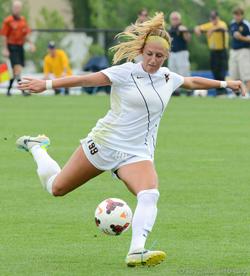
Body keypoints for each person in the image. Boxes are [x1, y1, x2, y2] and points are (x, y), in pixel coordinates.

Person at [16, 13, 245, 267]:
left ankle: (137, 250)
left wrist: (226, 83)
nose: (153, 60)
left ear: (165, 57)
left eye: (159, 56)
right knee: (56, 188)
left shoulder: (168, 77)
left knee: (149, 194)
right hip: (103, 144)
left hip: (136, 153)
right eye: (149, 54)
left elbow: (191, 81)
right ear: (142, 51)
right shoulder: (125, 72)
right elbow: (84, 79)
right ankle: (37, 147)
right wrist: (45, 84)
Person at [0, 0, 35, 96]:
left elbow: (26, 34)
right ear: (12, 8)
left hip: (20, 47)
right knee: (17, 68)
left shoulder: (23, 20)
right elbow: (4, 36)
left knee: (16, 70)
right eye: (15, 7)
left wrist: (31, 44)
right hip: (12, 47)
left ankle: (8, 91)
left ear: (21, 9)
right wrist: (5, 48)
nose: (17, 9)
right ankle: (23, 91)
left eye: (18, 7)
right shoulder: (8, 21)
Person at [194, 11, 228, 96]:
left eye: (215, 18)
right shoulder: (209, 25)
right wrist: (197, 29)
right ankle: (218, 91)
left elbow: (223, 28)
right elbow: (199, 27)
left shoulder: (221, 23)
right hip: (213, 52)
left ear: (218, 18)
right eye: (212, 18)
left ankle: (223, 91)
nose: (213, 20)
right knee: (215, 71)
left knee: (222, 71)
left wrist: (212, 29)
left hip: (222, 51)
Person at [168, 11, 191, 96]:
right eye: (173, 19)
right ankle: (176, 91)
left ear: (179, 19)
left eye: (176, 19)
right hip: (172, 53)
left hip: (182, 52)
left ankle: (189, 90)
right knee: (173, 71)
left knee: (184, 71)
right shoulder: (170, 29)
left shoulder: (182, 28)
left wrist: (184, 32)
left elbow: (188, 39)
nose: (174, 20)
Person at [229, 7, 250, 97]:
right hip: (234, 51)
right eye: (235, 15)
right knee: (234, 73)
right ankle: (235, 93)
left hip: (244, 51)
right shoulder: (232, 24)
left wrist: (241, 37)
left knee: (245, 74)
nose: (237, 17)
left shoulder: (246, 25)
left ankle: (247, 93)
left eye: (239, 15)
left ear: (242, 15)